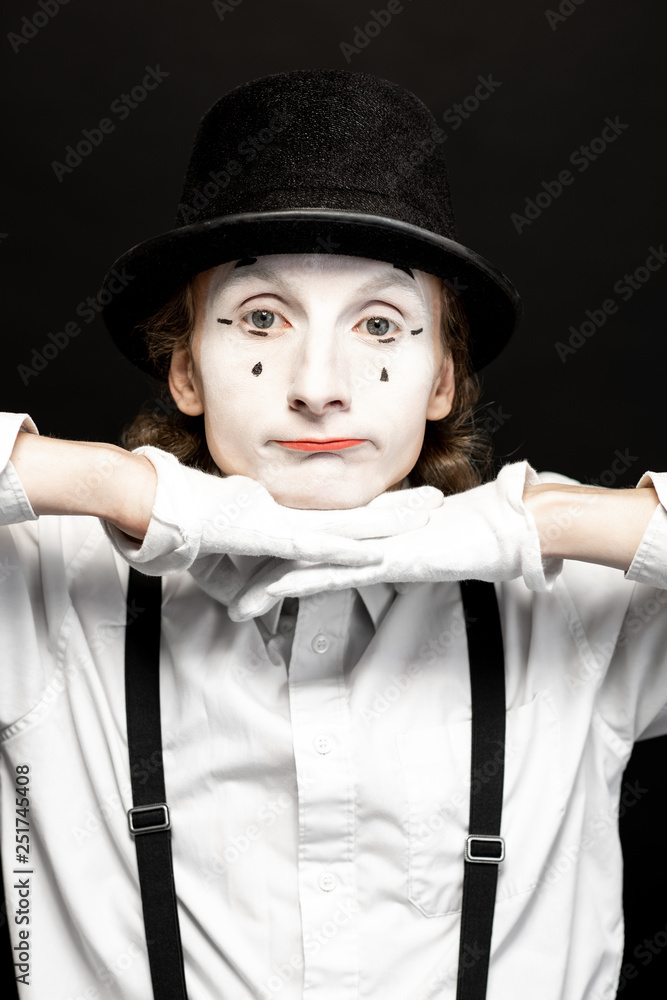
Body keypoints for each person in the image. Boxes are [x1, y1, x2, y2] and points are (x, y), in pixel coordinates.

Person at [1, 68, 666, 1000]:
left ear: (442, 380)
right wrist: (126, 488)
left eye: (381, 325)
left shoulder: (576, 598)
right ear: (186, 372)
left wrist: (537, 522)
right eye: (261, 317)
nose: (319, 384)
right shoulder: (47, 589)